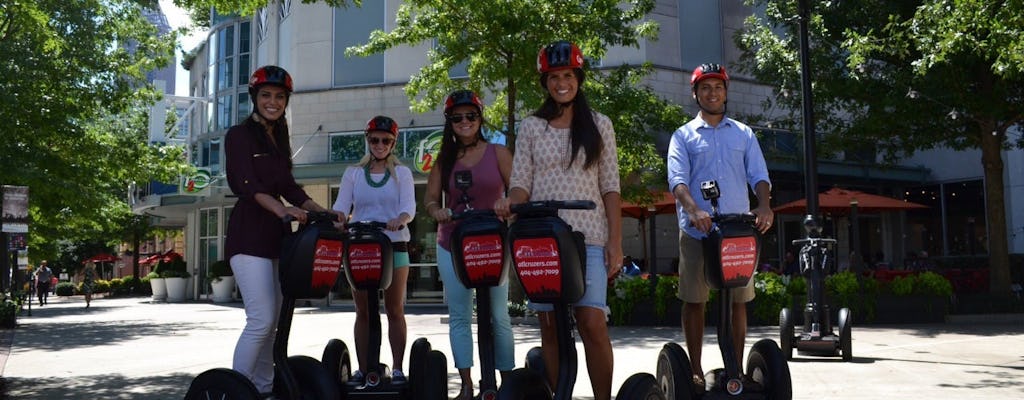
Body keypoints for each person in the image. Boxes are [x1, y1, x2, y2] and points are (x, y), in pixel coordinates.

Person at [494, 40, 622, 400]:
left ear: (578, 78)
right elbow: (521, 184)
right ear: (544, 82)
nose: (561, 83)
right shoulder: (533, 126)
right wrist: (510, 202)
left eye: (567, 75)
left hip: (590, 237)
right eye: (553, 77)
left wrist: (616, 242)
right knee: (549, 327)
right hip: (542, 239)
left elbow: (611, 187)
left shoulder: (600, 125)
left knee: (592, 322)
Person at [224, 65, 338, 396]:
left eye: (279, 96)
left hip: (275, 240)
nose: (273, 102)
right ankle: (237, 390)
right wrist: (282, 209)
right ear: (255, 98)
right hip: (247, 239)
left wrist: (324, 212)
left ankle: (263, 389)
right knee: (260, 320)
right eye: (266, 95)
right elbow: (247, 184)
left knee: (271, 325)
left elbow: (290, 187)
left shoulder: (279, 139)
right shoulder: (239, 135)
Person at [666, 63, 774, 390]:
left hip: (737, 231)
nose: (712, 93)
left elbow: (759, 175)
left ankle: (736, 368)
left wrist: (765, 205)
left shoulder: (743, 133)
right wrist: (694, 209)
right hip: (699, 231)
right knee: (695, 300)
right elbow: (678, 180)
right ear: (696, 93)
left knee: (739, 300)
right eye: (705, 88)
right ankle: (695, 370)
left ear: (725, 92)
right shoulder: (683, 135)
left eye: (718, 87)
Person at [424, 89, 515, 400]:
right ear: (450, 122)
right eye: (457, 117)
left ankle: (507, 383)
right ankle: (466, 384)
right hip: (453, 243)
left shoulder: (498, 153)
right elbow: (431, 199)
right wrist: (438, 211)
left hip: (492, 244)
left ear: (480, 118)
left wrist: (508, 201)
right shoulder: (444, 160)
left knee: (499, 315)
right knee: (460, 313)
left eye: (471, 116)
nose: (465, 122)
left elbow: (519, 189)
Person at [333, 115, 416, 385]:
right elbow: (342, 206)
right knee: (363, 311)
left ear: (393, 143)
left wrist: (400, 219)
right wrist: (338, 219)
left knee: (394, 309)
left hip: (394, 244)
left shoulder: (401, 173)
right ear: (367, 141)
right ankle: (363, 367)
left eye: (386, 140)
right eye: (375, 139)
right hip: (362, 246)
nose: (380, 144)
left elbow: (409, 208)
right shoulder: (353, 173)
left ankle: (398, 368)